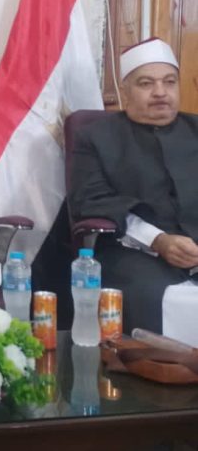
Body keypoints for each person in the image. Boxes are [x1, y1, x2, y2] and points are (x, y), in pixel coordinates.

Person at [69, 38, 198, 334]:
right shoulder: (95, 137)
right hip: (134, 253)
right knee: (161, 299)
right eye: (146, 83)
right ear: (125, 91)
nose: (160, 92)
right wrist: (158, 240)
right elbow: (91, 201)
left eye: (169, 82)